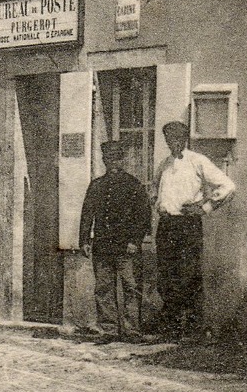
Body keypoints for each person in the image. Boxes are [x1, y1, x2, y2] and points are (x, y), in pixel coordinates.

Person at [152, 121, 235, 341]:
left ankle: (194, 328)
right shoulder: (164, 164)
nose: (173, 143)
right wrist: (159, 205)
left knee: (189, 275)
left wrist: (204, 207)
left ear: (185, 139)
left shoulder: (198, 161)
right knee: (167, 277)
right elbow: (154, 189)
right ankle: (172, 328)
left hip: (187, 226)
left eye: (178, 139)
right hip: (167, 226)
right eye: (169, 139)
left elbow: (227, 186)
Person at [78, 139, 150, 344]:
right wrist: (84, 240)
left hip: (127, 247)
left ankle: (132, 330)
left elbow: (143, 216)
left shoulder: (133, 185)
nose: (113, 163)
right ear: (104, 160)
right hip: (102, 246)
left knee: (131, 287)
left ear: (123, 159)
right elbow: (87, 214)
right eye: (109, 159)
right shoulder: (97, 185)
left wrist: (135, 240)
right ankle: (109, 330)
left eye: (117, 158)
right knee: (103, 288)